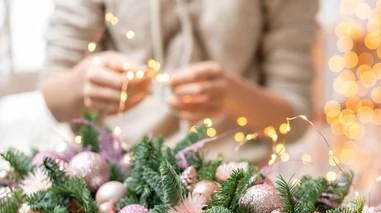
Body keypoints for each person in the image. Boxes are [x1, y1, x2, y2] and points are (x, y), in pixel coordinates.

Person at [41, 0, 318, 162]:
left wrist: (232, 97)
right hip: (114, 179)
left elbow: (293, 122)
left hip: (235, 184)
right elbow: (55, 100)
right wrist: (85, 81)